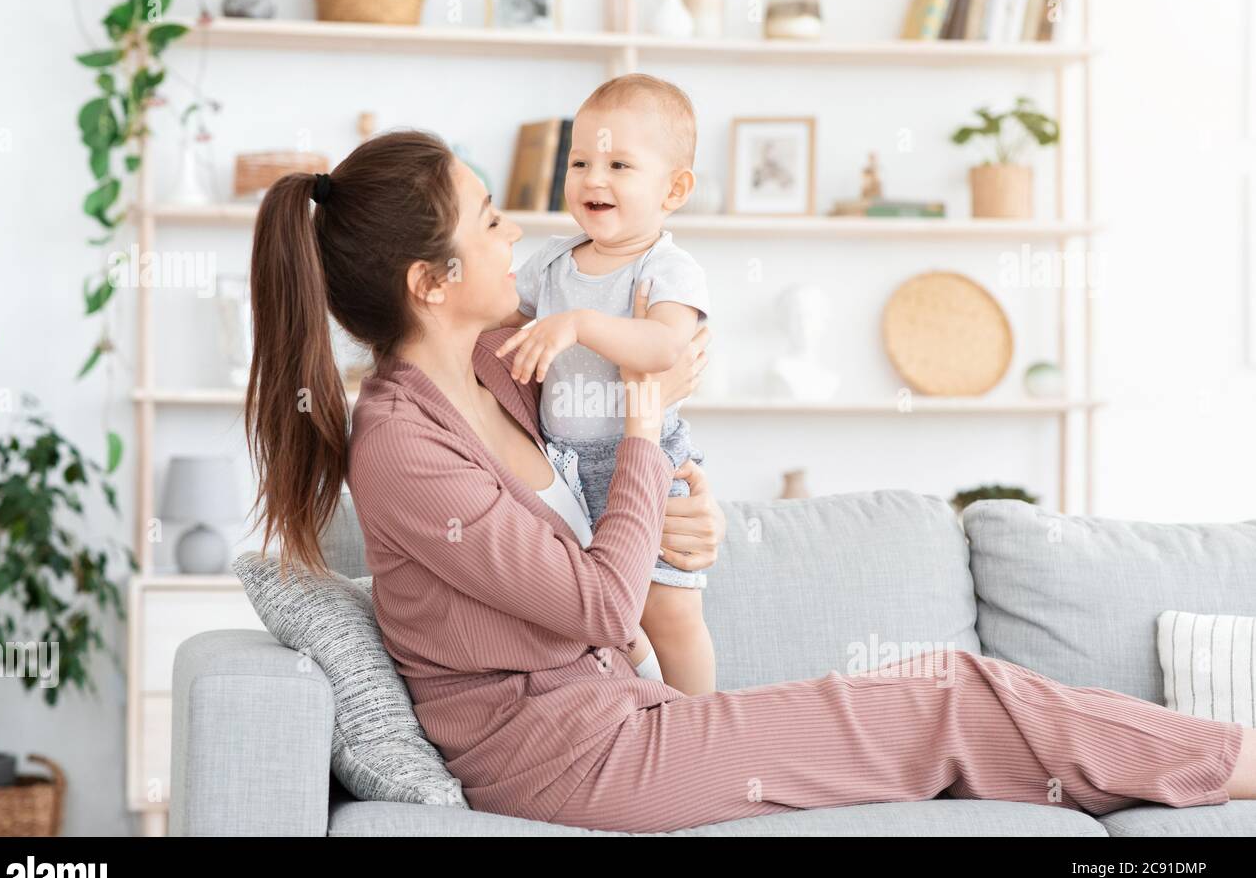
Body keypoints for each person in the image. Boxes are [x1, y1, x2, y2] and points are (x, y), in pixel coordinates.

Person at [243, 127, 1256, 835]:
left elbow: (658, 364)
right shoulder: (399, 444)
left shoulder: (505, 361)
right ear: (431, 281)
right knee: (950, 690)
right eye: (492, 222)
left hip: (622, 712)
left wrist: (684, 502)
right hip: (570, 761)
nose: (520, 236)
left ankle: (1163, 777)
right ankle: (1233, 761)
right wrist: (643, 435)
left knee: (956, 716)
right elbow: (599, 597)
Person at [496, 74, 715, 695]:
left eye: (620, 163)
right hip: (561, 468)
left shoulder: (667, 266)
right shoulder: (553, 262)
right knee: (604, 617)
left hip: (644, 459)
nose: (594, 178)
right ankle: (647, 712)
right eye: (581, 161)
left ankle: (704, 722)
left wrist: (580, 324)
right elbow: (501, 324)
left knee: (669, 612)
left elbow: (666, 347)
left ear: (674, 189)